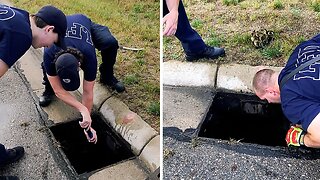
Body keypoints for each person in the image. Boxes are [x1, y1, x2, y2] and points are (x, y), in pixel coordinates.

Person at [0, 4, 67, 179]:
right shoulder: (22, 35)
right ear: (49, 29)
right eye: (54, 41)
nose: (50, 45)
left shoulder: (19, 15)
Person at [39, 14, 126, 144]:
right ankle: (47, 89)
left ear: (79, 65)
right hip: (63, 29)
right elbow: (59, 90)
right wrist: (82, 109)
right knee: (46, 69)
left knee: (110, 43)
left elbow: (88, 92)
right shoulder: (49, 53)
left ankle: (107, 76)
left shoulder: (89, 57)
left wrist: (87, 118)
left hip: (82, 22)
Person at [252, 33, 320, 148]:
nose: (268, 102)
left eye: (266, 99)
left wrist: (302, 139)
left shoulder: (290, 102)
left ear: (271, 92)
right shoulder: (300, 50)